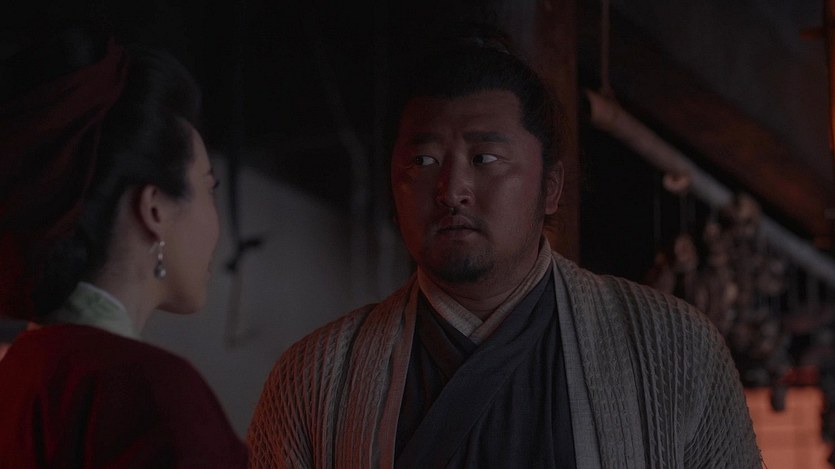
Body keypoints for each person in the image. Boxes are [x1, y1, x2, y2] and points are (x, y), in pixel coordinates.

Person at [247, 33, 762, 468]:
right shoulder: (314, 378)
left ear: (550, 188)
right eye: (423, 161)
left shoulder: (674, 348)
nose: (452, 190)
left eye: (485, 158)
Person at [0, 28, 247, 467]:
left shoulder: (18, 374)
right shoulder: (153, 391)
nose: (216, 222)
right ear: (154, 209)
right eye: (208, 186)